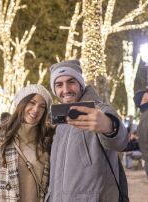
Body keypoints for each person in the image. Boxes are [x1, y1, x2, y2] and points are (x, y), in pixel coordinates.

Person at [46, 60, 128, 201]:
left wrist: (109, 126)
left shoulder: (99, 110)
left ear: (80, 84)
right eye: (59, 85)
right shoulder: (59, 122)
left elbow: (120, 141)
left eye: (71, 82)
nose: (65, 90)